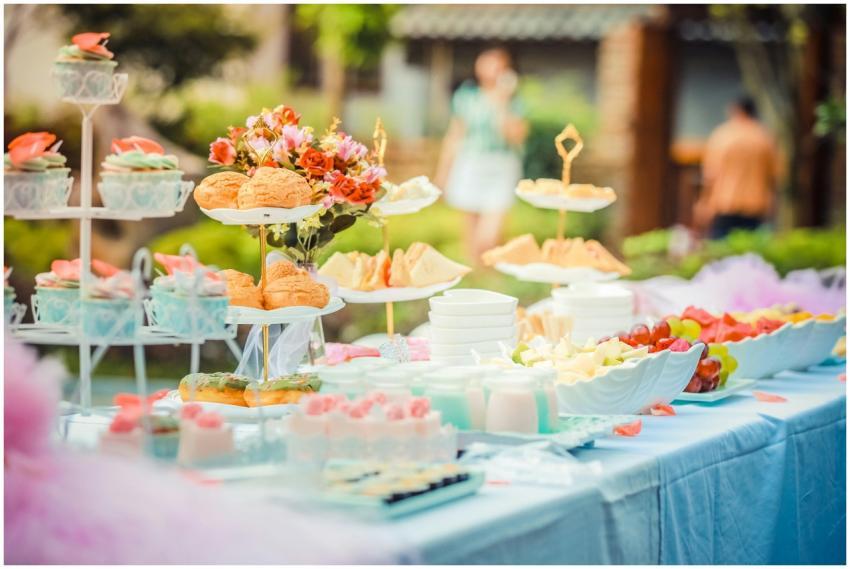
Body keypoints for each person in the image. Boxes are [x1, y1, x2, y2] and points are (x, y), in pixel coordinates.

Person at [435, 48, 529, 264]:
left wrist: (502, 103)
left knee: (488, 236)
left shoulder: (514, 102)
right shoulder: (467, 96)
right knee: (471, 232)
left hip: (501, 165)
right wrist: (442, 174)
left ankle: (492, 271)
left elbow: (516, 137)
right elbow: (454, 135)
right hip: (470, 163)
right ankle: (479, 279)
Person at [694, 96, 782, 239]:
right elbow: (774, 175)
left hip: (725, 202)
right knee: (751, 253)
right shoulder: (765, 137)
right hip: (756, 204)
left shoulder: (722, 136)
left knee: (720, 251)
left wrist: (704, 202)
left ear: (736, 110)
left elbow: (710, 174)